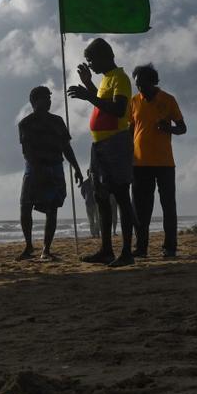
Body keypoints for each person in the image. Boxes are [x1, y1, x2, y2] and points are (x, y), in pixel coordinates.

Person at [68, 38, 138, 267]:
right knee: (100, 196)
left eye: (91, 60)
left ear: (105, 56)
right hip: (98, 145)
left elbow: (118, 110)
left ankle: (126, 251)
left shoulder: (120, 78)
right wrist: (89, 85)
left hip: (115, 143)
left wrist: (89, 95)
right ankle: (106, 249)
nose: (90, 64)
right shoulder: (106, 80)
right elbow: (101, 104)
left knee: (120, 195)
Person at [17, 86, 84, 261]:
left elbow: (66, 148)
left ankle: (46, 249)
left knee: (52, 209)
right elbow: (27, 151)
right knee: (25, 206)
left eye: (49, 98)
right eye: (44, 98)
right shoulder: (26, 123)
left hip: (55, 167)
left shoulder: (58, 121)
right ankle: (29, 246)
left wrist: (76, 168)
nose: (48, 101)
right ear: (34, 101)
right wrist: (38, 171)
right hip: (33, 168)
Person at [129, 63, 186, 258]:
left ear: (153, 81)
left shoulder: (168, 100)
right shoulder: (134, 101)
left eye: (142, 84)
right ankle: (141, 247)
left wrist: (168, 128)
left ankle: (169, 247)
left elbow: (182, 127)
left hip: (164, 163)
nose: (139, 88)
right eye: (137, 84)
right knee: (141, 209)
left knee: (168, 206)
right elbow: (131, 129)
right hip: (139, 163)